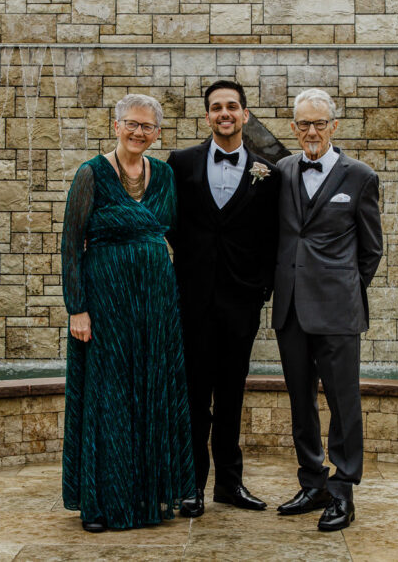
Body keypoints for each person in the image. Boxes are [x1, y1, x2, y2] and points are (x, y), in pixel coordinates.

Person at [61, 93, 195, 532]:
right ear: (115, 125)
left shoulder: (166, 175)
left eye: (148, 127)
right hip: (107, 303)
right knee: (110, 397)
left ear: (158, 133)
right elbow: (71, 246)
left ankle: (148, 496)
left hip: (156, 302)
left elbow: (172, 231)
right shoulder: (91, 175)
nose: (139, 133)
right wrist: (76, 309)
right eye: (131, 124)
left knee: (152, 390)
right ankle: (101, 504)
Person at [167, 80, 281, 518]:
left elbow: (272, 235)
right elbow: (170, 222)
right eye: (216, 108)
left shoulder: (267, 171)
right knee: (195, 396)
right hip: (192, 299)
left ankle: (229, 485)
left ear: (245, 114)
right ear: (208, 116)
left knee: (232, 394)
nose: (224, 113)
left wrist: (260, 288)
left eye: (232, 106)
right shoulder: (180, 163)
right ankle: (191, 486)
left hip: (241, 302)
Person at [272, 88, 383, 532]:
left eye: (319, 123)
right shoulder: (280, 171)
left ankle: (343, 491)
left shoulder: (360, 176)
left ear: (334, 126)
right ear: (294, 128)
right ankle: (312, 481)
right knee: (301, 401)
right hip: (291, 309)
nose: (311, 131)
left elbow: (371, 250)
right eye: (303, 124)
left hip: (338, 311)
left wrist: (345, 290)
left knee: (343, 403)